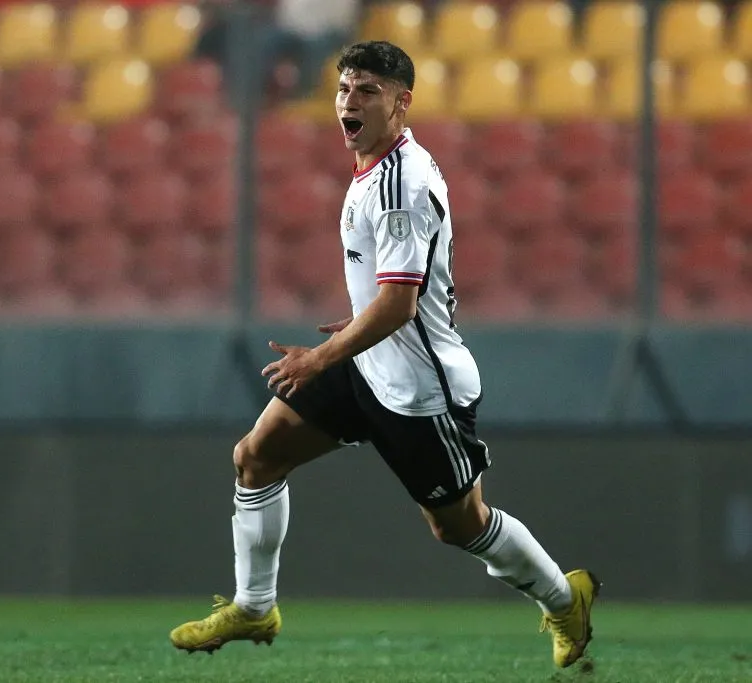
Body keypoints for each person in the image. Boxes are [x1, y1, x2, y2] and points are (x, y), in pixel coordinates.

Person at [168, 40, 600, 670]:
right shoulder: (376, 166)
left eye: (366, 90)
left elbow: (400, 306)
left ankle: (565, 600)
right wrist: (357, 330)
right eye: (344, 89)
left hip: (420, 390)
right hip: (368, 362)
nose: (349, 101)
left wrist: (319, 358)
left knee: (460, 527)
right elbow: (395, 294)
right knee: (256, 457)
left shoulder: (400, 183)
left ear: (402, 103)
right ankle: (255, 606)